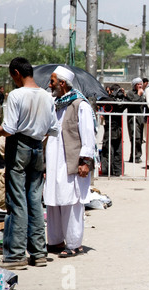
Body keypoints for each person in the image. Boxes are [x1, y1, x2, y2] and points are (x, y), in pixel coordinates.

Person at [0, 57, 58, 270]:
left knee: (16, 200)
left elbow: (9, 129)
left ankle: (15, 255)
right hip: (37, 148)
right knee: (34, 199)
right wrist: (37, 139)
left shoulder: (16, 95)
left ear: (16, 73)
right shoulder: (47, 96)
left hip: (19, 146)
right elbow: (54, 129)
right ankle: (39, 253)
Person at [43, 66, 96, 258]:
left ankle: (74, 244)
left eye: (53, 81)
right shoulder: (56, 104)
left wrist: (85, 161)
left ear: (63, 83)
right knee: (54, 201)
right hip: (54, 161)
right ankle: (55, 241)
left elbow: (88, 135)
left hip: (71, 162)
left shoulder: (80, 105)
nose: (50, 85)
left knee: (71, 202)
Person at [100, 84, 126, 176]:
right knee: (113, 150)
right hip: (114, 128)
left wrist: (121, 95)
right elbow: (101, 101)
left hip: (113, 128)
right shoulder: (113, 100)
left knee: (111, 150)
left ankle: (111, 171)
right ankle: (113, 171)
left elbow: (100, 101)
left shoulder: (115, 100)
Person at [125, 77, 145, 163]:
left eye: (141, 84)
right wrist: (139, 95)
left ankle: (135, 156)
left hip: (140, 118)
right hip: (132, 118)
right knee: (135, 137)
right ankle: (135, 156)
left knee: (139, 138)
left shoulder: (142, 93)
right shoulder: (130, 93)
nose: (140, 86)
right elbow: (133, 103)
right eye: (138, 84)